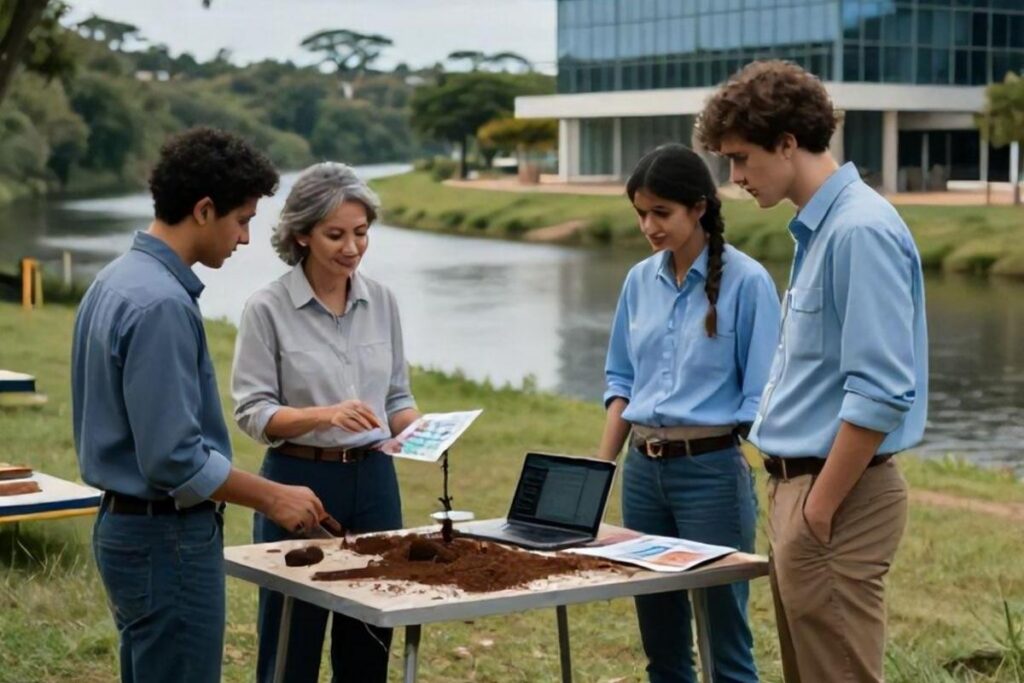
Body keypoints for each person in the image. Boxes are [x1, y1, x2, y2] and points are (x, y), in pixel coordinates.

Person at [697, 59, 928, 683]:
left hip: (836, 496)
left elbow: (881, 391)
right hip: (804, 492)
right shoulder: (822, 230)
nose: (735, 177)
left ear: (789, 142)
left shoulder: (859, 230)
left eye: (742, 158)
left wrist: (817, 509)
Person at [71, 127, 328, 683]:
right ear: (204, 210)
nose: (244, 240)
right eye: (243, 221)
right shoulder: (161, 303)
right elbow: (173, 458)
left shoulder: (113, 281)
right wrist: (272, 496)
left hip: (125, 531)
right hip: (167, 542)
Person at [596, 143, 781, 683]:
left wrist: (740, 466)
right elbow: (621, 381)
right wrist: (600, 469)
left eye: (661, 213)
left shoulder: (748, 283)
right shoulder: (638, 281)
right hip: (642, 474)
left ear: (698, 207)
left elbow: (761, 393)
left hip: (712, 476)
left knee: (725, 641)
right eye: (640, 214)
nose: (649, 226)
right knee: (662, 642)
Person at [231, 161, 421, 683]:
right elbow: (253, 413)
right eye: (335, 234)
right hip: (297, 483)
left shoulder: (382, 300)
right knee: (292, 643)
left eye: (361, 233)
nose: (352, 247)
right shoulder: (266, 308)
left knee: (368, 638)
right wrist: (325, 413)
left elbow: (397, 397)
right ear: (301, 235)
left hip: (377, 483)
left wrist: (422, 430)